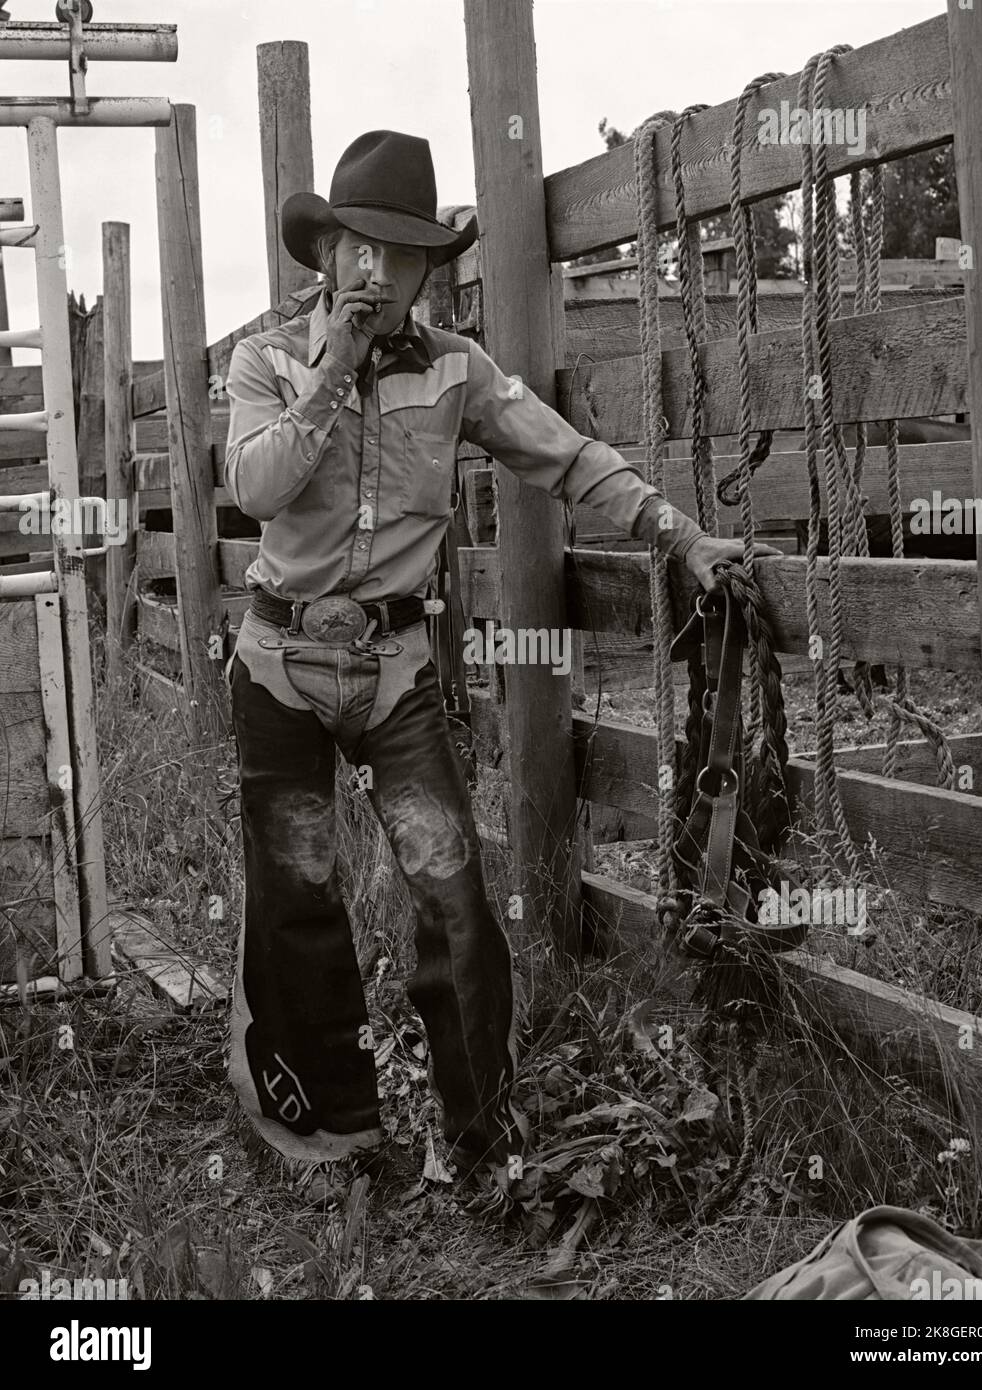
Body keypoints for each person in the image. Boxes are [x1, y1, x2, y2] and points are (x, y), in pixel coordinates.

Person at [222, 129, 770, 1195]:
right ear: (324, 254)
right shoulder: (266, 359)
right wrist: (334, 370)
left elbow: (562, 456)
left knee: (455, 895)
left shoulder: (457, 372)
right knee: (299, 891)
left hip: (390, 671)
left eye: (402, 251)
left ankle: (476, 1140)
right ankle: (333, 1129)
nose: (377, 271)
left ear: (432, 268)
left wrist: (679, 534)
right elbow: (256, 487)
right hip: (280, 661)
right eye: (359, 247)